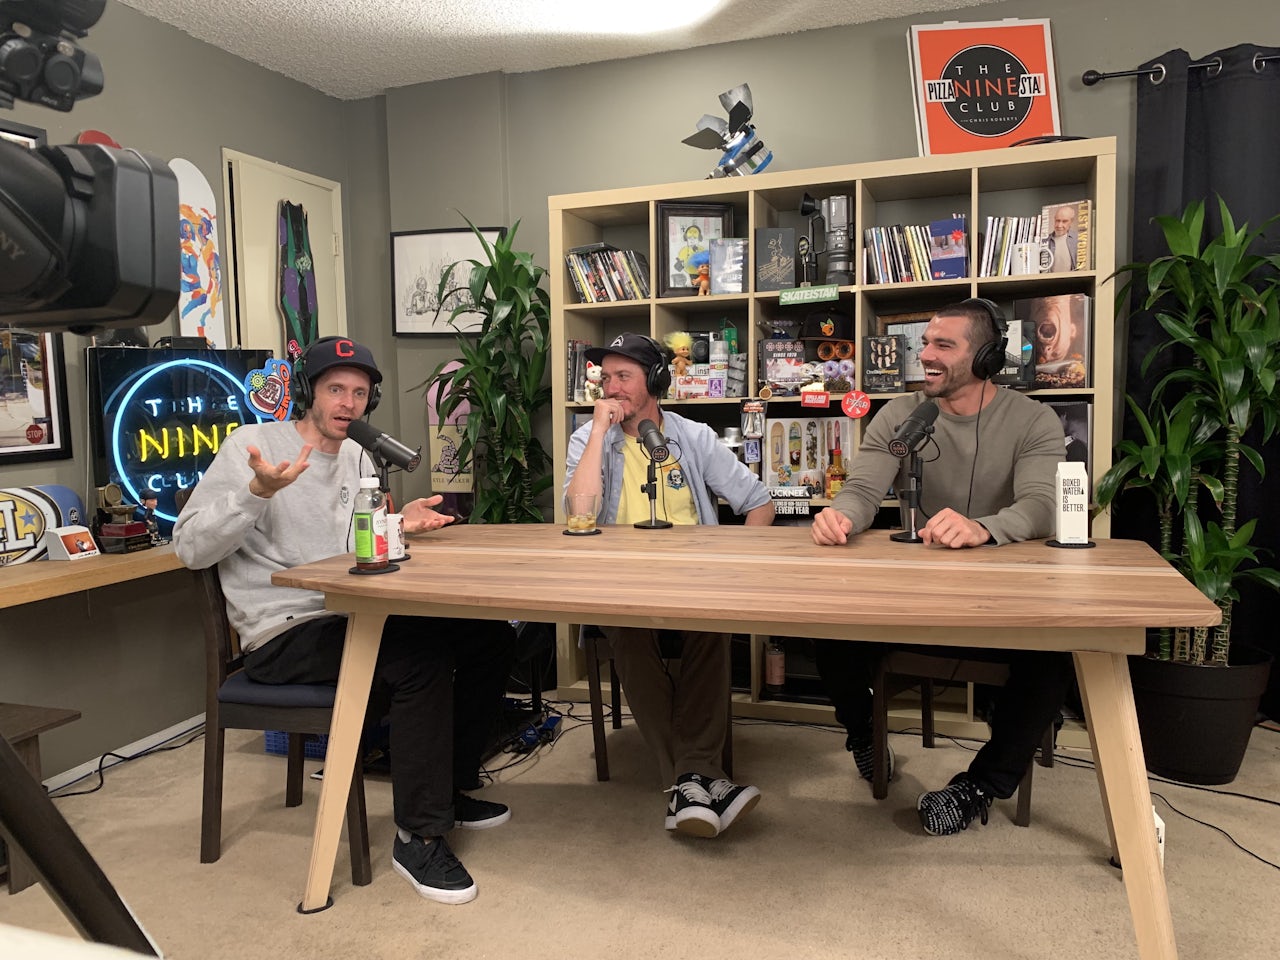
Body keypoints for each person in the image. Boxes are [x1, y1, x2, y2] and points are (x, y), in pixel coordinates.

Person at [173, 336, 516, 905]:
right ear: (308, 392)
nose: (348, 403)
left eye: (359, 393)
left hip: (347, 613)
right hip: (283, 631)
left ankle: (448, 791)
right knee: (420, 660)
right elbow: (189, 548)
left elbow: (348, 551)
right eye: (335, 389)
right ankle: (419, 836)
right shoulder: (252, 446)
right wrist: (256, 492)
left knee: (488, 637)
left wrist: (398, 523)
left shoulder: (358, 454)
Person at [809, 301, 1073, 837]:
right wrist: (843, 516)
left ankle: (982, 784)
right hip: (916, 593)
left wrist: (984, 527)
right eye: (925, 343)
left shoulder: (1034, 420)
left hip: (1002, 598)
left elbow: (1043, 504)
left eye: (943, 345)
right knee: (824, 623)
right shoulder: (901, 415)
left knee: (1056, 652)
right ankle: (863, 734)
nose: (925, 355)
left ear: (987, 357)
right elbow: (863, 488)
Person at [564, 332, 774, 838]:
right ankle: (698, 778)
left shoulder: (693, 437)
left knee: (712, 629)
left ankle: (687, 782)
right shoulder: (588, 438)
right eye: (605, 377)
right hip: (618, 586)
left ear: (655, 380)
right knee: (630, 635)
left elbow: (759, 504)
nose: (611, 387)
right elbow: (578, 512)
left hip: (694, 581)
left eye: (623, 376)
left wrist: (734, 568)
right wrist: (598, 432)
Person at [1041, 204, 1080, 273]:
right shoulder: (1044, 241)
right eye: (1057, 221)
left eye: (1064, 221)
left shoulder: (1078, 238)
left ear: (1071, 222)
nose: (1059, 225)